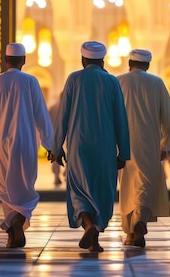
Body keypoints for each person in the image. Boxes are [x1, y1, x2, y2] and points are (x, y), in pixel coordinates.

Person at [50, 41, 130, 252]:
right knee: (102, 190)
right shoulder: (112, 82)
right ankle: (94, 233)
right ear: (102, 60)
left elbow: (63, 116)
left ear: (83, 59)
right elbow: (121, 119)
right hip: (105, 146)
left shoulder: (74, 79)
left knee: (79, 189)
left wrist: (57, 147)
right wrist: (124, 151)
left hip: (78, 145)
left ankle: (88, 225)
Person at [0, 43, 54, 248]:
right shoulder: (31, 81)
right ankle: (18, 221)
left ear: (5, 60)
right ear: (24, 60)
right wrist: (50, 145)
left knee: (5, 188)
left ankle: (13, 231)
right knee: (24, 186)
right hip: (25, 141)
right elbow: (41, 116)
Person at [117, 49, 170, 248]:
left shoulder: (119, 81)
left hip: (123, 144)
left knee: (127, 185)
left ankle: (131, 232)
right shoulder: (156, 83)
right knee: (145, 184)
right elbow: (168, 117)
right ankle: (139, 220)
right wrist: (165, 143)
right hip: (150, 143)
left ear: (129, 63)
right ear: (147, 65)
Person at [48, 94, 63, 187]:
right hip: (65, 134)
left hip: (54, 133)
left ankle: (56, 176)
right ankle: (66, 173)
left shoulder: (53, 107)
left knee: (56, 154)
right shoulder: (67, 106)